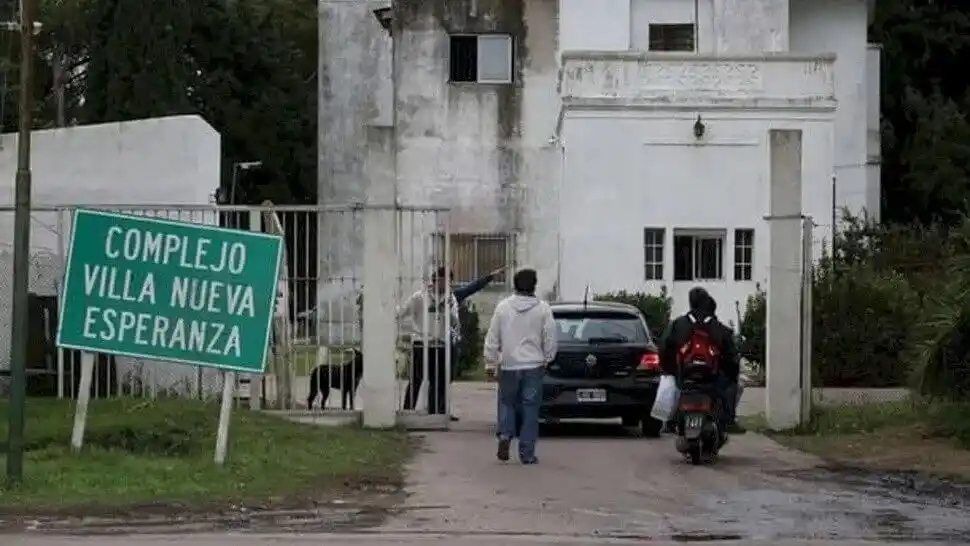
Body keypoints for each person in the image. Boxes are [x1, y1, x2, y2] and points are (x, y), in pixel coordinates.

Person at [483, 268, 557, 465]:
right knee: (530, 409)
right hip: (533, 365)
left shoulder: (503, 307)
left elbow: (492, 337)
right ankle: (527, 453)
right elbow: (550, 337)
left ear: (515, 284)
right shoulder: (543, 309)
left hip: (508, 365)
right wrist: (548, 357)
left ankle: (505, 435)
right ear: (534, 284)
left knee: (506, 403)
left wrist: (490, 359)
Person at [659, 287, 746, 434]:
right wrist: (731, 374)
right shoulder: (720, 328)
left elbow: (664, 349)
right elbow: (732, 358)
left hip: (684, 379)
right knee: (735, 384)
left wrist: (671, 371)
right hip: (712, 381)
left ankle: (670, 421)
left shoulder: (678, 325)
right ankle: (729, 420)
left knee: (669, 388)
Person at [398, 267, 459, 415]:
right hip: (421, 343)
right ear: (435, 280)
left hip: (440, 344)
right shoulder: (420, 297)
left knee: (439, 381)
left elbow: (455, 322)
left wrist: (449, 309)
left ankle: (436, 412)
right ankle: (408, 411)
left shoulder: (450, 298)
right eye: (442, 280)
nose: (445, 285)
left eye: (448, 282)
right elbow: (402, 312)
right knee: (416, 379)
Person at [448, 266, 506, 422]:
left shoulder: (453, 297)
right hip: (432, 341)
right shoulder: (427, 297)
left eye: (448, 281)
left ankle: (441, 410)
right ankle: (421, 409)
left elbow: (471, 288)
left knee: (447, 378)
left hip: (451, 341)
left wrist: (490, 277)